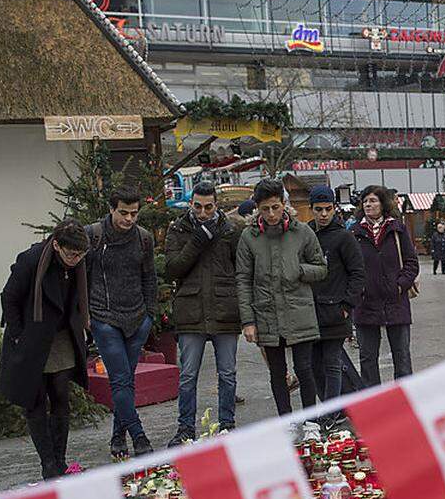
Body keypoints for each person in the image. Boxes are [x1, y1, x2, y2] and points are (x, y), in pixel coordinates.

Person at [0, 219, 90, 479]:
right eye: (72, 254)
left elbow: (80, 297)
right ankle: (48, 463)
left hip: (62, 335)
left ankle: (59, 460)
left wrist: (85, 325)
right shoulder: (31, 260)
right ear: (57, 245)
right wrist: (18, 335)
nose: (76, 259)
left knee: (61, 393)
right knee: (36, 399)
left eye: (81, 254)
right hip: (32, 337)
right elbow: (9, 297)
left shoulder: (80, 263)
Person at [236, 178, 328, 416]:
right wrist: (248, 321)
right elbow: (243, 280)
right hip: (266, 313)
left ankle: (311, 421)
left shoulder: (302, 232)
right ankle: (286, 421)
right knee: (277, 373)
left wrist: (299, 270)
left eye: (275, 207)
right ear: (257, 207)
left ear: (283, 204)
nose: (271, 214)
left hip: (299, 312)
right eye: (265, 209)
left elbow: (321, 267)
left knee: (304, 369)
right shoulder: (249, 237)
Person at [163, 182, 243, 446]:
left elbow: (241, 270)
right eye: (198, 206)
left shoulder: (231, 231)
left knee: (228, 373)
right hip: (191, 311)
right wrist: (197, 241)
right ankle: (185, 428)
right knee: (187, 375)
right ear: (191, 204)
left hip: (224, 309)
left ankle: (227, 425)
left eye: (208, 207)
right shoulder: (178, 229)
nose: (203, 212)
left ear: (216, 205)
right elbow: (173, 269)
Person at [86, 187, 158, 459]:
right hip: (104, 317)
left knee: (126, 381)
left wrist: (149, 315)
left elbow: (150, 278)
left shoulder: (143, 239)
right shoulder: (93, 235)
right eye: (124, 213)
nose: (129, 219)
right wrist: (87, 316)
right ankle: (139, 436)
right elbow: (82, 276)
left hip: (137, 318)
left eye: (134, 213)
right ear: (111, 209)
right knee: (120, 380)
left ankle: (118, 437)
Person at [352, 186, 420, 386]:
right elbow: (349, 266)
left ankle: (405, 399)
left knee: (402, 357)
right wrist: (359, 290)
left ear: (383, 204)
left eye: (372, 201)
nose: (368, 205)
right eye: (365, 201)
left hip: (395, 302)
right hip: (366, 304)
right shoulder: (354, 232)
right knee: (367, 358)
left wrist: (400, 286)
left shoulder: (397, 229)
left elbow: (411, 262)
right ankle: (375, 404)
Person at [308, 185, 365, 418]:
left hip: (335, 311)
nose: (323, 214)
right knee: (313, 365)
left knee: (332, 363)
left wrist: (347, 305)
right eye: (318, 209)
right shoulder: (306, 235)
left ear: (334, 208)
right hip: (310, 312)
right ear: (311, 209)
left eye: (328, 209)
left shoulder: (344, 237)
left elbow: (358, 273)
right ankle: (328, 408)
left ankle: (332, 413)